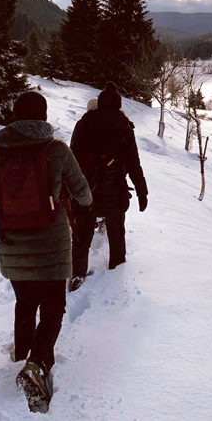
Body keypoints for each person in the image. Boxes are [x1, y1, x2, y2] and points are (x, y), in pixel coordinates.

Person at [0, 91, 92, 413]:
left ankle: (21, 354)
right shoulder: (57, 150)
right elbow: (81, 190)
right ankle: (36, 364)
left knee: (25, 301)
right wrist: (85, 205)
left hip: (12, 244)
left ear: (15, 117)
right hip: (52, 243)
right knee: (54, 306)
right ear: (43, 116)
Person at [69, 82, 148, 291]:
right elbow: (133, 162)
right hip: (115, 190)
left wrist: (69, 189)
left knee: (81, 235)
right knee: (116, 232)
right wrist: (141, 191)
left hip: (86, 191)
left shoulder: (84, 123)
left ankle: (77, 274)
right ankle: (117, 268)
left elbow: (72, 159)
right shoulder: (124, 125)